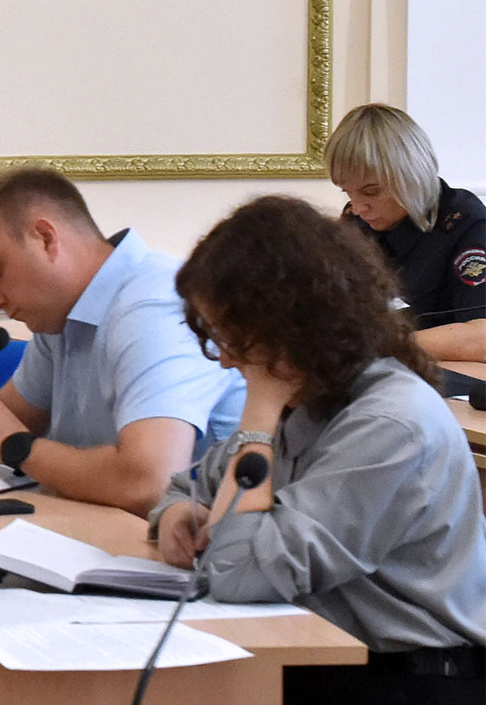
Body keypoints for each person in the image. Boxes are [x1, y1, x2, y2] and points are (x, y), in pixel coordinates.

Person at [154, 195, 486, 705]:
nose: (223, 360)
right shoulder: (309, 394)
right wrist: (177, 512)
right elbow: (188, 484)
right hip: (324, 648)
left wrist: (258, 415)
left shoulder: (387, 423)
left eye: (231, 337)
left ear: (287, 325)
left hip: (413, 676)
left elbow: (237, 574)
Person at [0, 166, 244, 517]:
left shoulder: (154, 308)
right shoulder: (60, 314)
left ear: (46, 238)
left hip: (192, 541)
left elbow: (146, 483)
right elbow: (4, 425)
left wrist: (17, 447)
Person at [327, 103, 486, 362]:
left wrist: (377, 346)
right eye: (347, 192)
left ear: (411, 176)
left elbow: (481, 337)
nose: (357, 207)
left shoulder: (466, 225)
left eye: (370, 192)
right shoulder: (356, 223)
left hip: (440, 372)